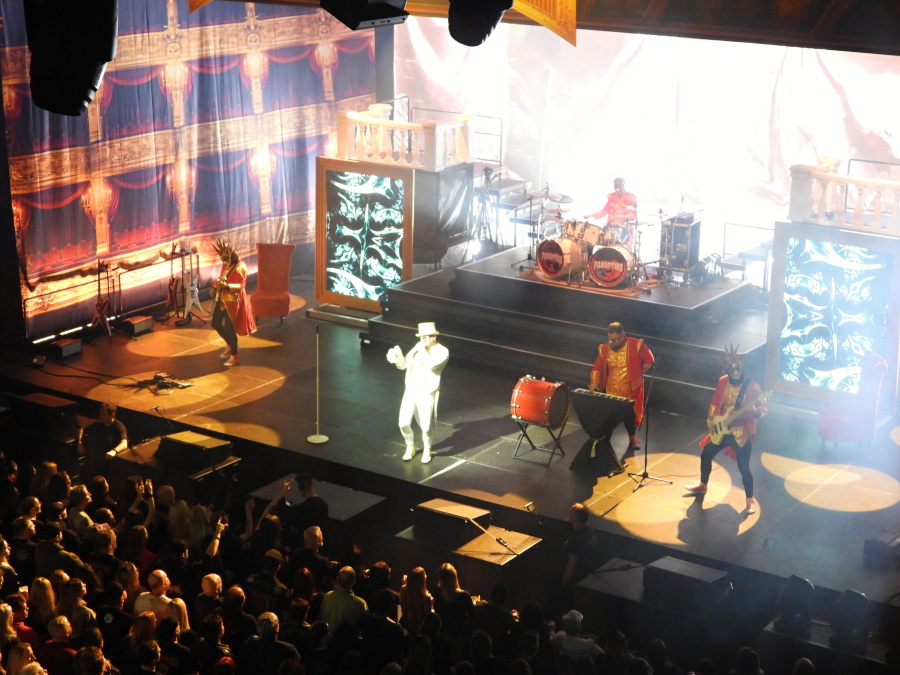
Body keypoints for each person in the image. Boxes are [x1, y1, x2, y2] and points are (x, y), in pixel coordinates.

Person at [686, 345, 766, 514]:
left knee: (743, 466)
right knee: (706, 454)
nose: (735, 372)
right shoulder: (723, 381)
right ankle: (703, 485)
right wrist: (711, 419)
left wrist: (754, 410)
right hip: (722, 427)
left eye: (738, 368)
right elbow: (715, 401)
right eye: (732, 369)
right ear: (727, 369)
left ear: (742, 368)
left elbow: (762, 409)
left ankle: (749, 499)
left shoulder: (752, 386)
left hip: (740, 431)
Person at [386, 321, 450, 464]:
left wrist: (421, 350)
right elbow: (404, 365)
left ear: (434, 337)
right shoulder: (418, 348)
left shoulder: (443, 351)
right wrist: (397, 358)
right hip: (411, 390)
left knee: (426, 426)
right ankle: (410, 446)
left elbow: (432, 365)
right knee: (403, 423)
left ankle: (427, 448)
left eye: (425, 337)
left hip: (426, 392)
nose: (422, 340)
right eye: (421, 337)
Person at [589, 322, 654, 452]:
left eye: (616, 339)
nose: (613, 342)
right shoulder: (605, 348)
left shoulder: (636, 344)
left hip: (630, 389)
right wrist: (595, 382)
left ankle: (632, 438)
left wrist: (637, 374)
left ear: (623, 335)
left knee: (630, 415)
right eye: (610, 339)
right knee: (609, 416)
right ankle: (605, 438)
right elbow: (597, 368)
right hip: (611, 388)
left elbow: (649, 360)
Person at [210, 239, 256, 368]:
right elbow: (221, 278)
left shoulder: (240, 266)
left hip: (233, 301)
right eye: (222, 258)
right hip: (222, 299)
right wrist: (214, 287)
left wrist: (226, 286)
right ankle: (230, 344)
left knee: (230, 328)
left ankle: (235, 356)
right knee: (215, 323)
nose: (224, 260)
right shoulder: (226, 264)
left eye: (226, 258)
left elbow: (240, 286)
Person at [77, 402, 128, 479]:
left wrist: (114, 451)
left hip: (109, 465)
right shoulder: (98, 424)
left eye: (103, 414)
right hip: (96, 463)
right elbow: (82, 430)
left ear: (112, 415)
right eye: (100, 414)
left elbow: (124, 443)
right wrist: (80, 443)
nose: (100, 416)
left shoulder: (119, 427)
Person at [585, 177, 637, 248]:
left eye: (619, 186)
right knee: (591, 239)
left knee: (619, 247)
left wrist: (623, 217)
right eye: (616, 186)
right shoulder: (612, 197)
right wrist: (591, 215)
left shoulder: (630, 197)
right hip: (610, 227)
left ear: (623, 185)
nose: (617, 189)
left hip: (623, 228)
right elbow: (604, 211)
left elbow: (633, 216)